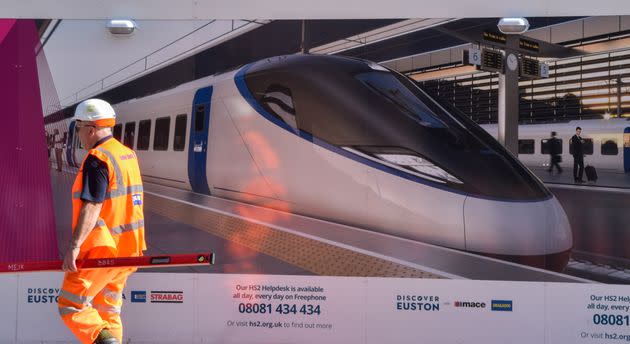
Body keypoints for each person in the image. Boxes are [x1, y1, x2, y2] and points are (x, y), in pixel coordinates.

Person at [57, 99, 146, 344]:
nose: (78, 136)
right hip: (129, 251)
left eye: (78, 129)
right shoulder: (127, 154)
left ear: (90, 129)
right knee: (109, 311)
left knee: (71, 305)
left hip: (103, 251)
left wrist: (74, 247)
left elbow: (93, 205)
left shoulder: (98, 158)